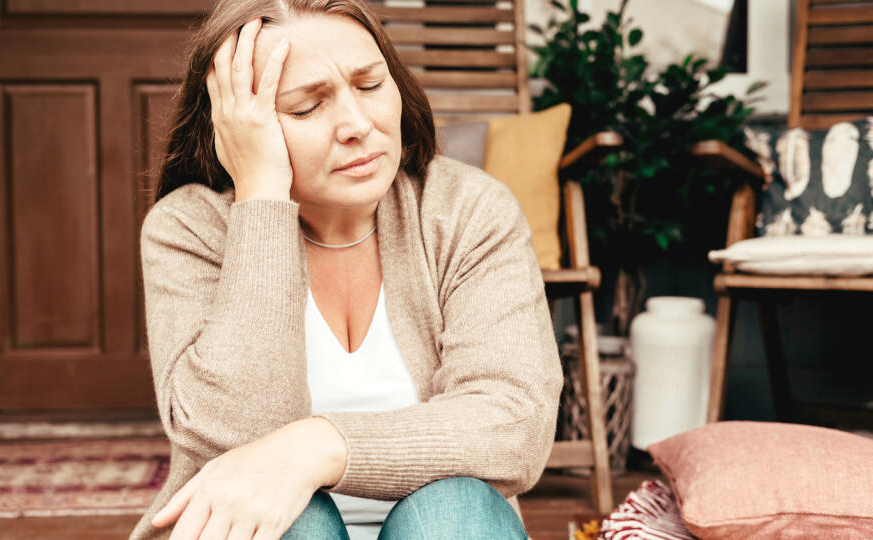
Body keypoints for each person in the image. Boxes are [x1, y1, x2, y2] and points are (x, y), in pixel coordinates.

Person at [130, 1, 563, 539]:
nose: (358, 125)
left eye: (369, 84)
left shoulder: (467, 210)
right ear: (236, 127)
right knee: (294, 521)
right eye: (307, 108)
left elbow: (513, 424)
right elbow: (228, 440)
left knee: (453, 510)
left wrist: (317, 446)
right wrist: (262, 196)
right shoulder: (189, 229)